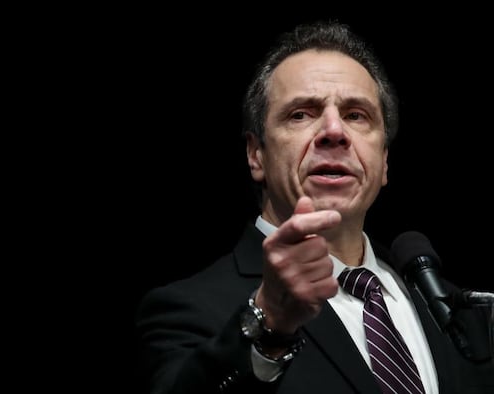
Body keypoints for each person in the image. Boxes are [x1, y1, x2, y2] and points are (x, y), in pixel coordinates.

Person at [134, 20, 494, 393]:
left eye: (357, 115)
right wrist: (268, 321)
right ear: (256, 155)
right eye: (301, 114)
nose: (334, 132)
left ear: (384, 161)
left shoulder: (454, 310)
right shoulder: (187, 308)